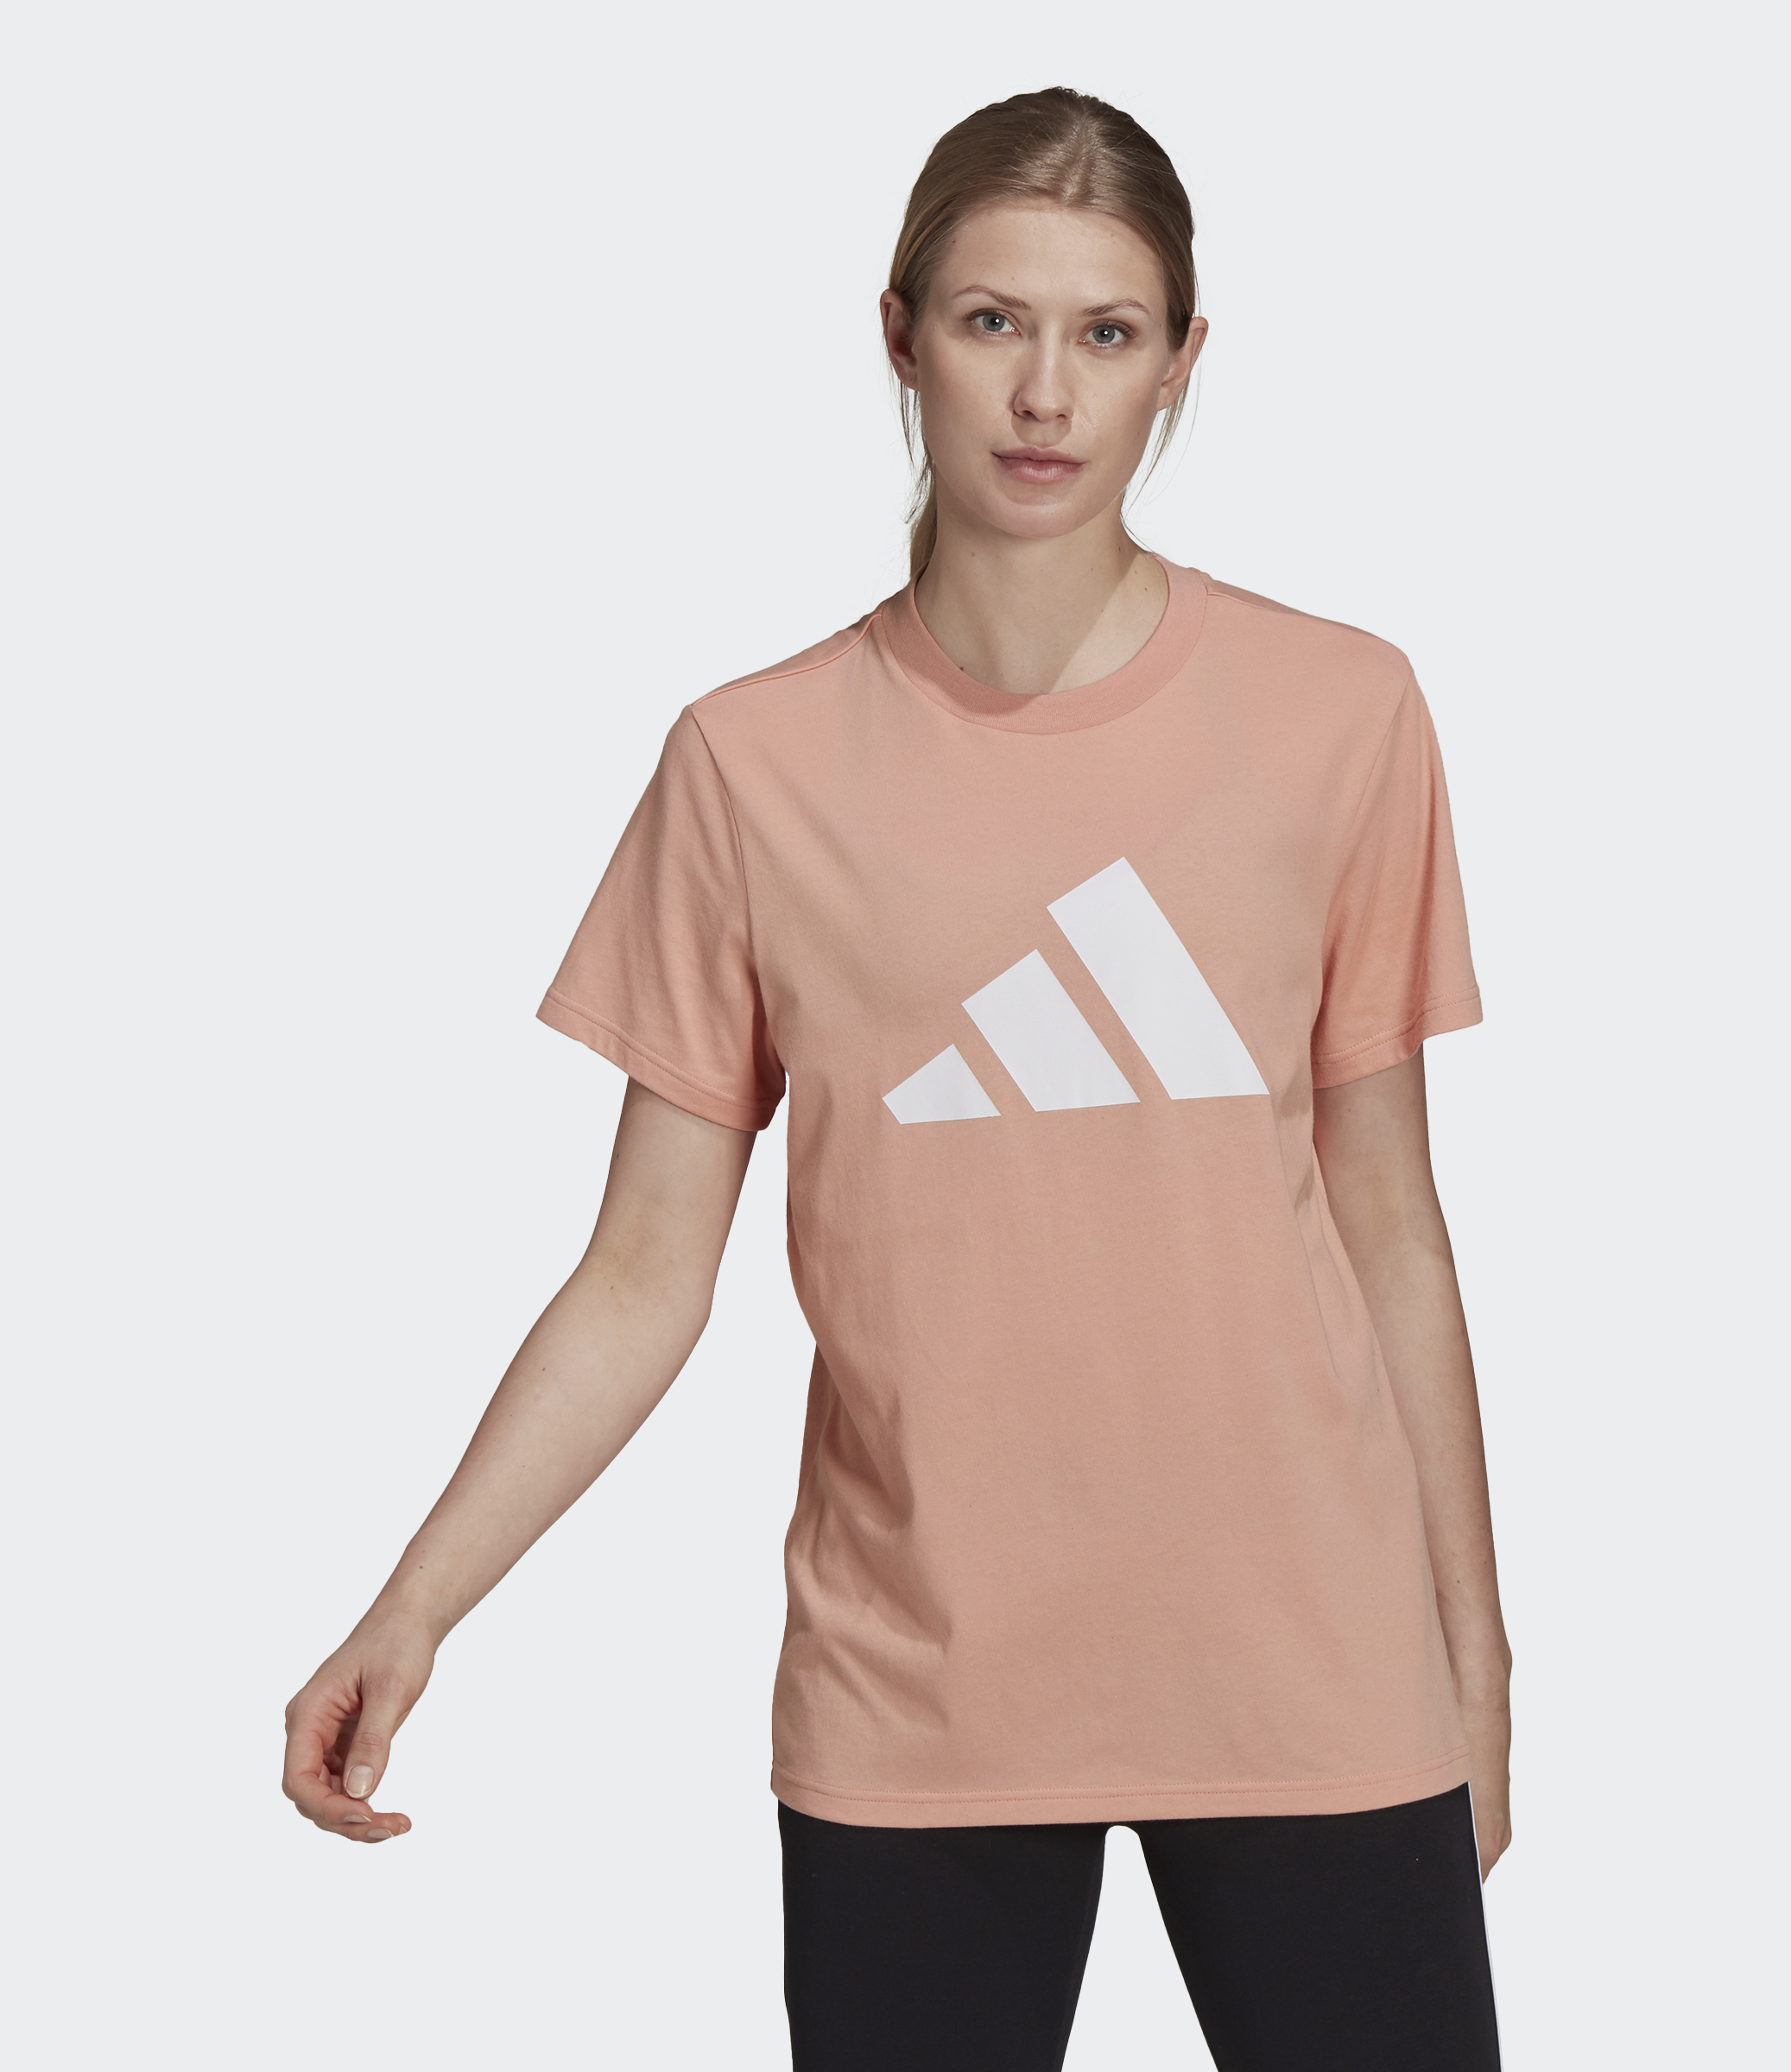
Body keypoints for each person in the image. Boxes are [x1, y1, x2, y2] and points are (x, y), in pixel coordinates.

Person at [282, 85, 1513, 2071]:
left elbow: (1394, 1222)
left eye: (1107, 332)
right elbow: (641, 1273)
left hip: (1316, 1672)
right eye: (991, 320)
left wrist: (1480, 1653)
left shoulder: (1341, 714)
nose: (1045, 392)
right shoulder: (752, 764)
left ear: (1183, 362)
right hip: (920, 1696)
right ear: (900, 335)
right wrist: (412, 1608)